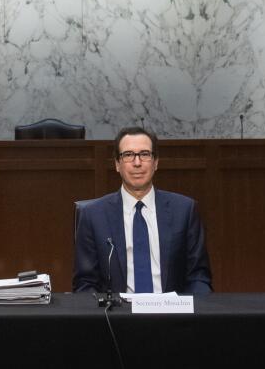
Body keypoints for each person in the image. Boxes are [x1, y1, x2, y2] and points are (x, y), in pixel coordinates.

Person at [72, 126, 212, 294]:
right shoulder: (93, 215)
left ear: (156, 162)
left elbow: (199, 276)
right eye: (128, 155)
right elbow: (85, 284)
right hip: (116, 316)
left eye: (144, 154)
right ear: (117, 164)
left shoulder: (185, 210)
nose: (137, 163)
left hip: (172, 315)